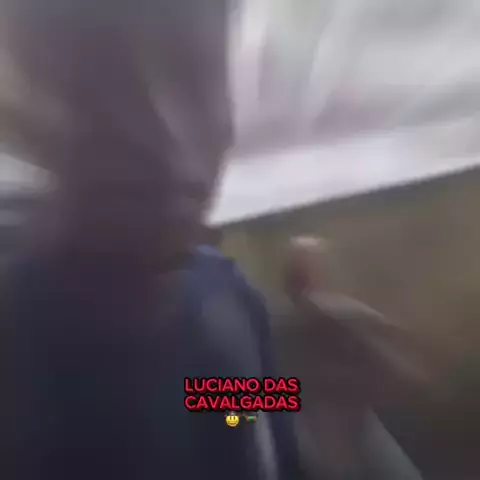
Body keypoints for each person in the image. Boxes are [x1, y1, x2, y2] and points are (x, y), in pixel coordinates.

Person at [0, 1, 302, 479]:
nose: (168, 145)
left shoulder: (229, 302)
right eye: (96, 85)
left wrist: (324, 421)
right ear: (21, 114)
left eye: (197, 75)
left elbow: (234, 417)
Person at [278, 236, 429, 479]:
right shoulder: (305, 312)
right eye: (311, 264)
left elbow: (379, 331)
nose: (318, 270)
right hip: (322, 418)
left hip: (349, 413)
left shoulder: (330, 306)